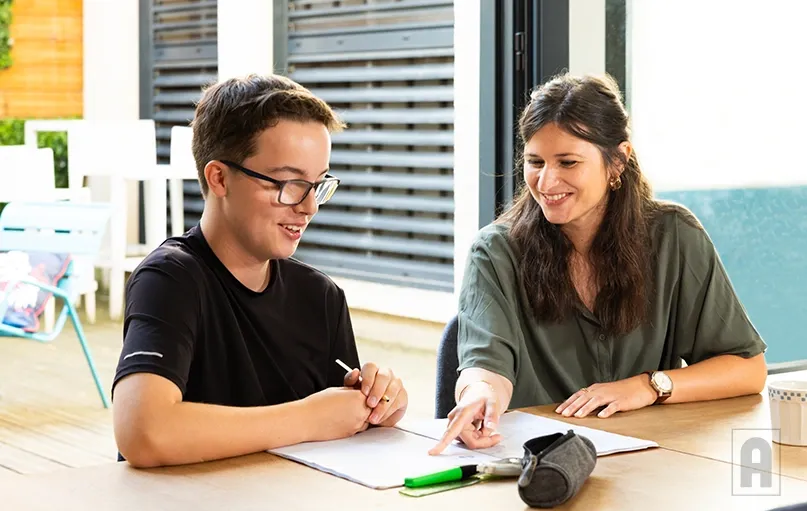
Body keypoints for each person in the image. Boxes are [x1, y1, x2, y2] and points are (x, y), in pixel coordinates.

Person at [429, 73, 767, 455]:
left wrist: (648, 386)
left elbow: (746, 368)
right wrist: (480, 394)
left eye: (568, 162)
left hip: (652, 461)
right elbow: (484, 365)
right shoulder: (495, 252)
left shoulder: (675, 236)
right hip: (539, 466)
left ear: (617, 161)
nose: (546, 180)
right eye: (535, 161)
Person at [112, 74, 408, 468]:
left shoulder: (320, 296)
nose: (308, 207)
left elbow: (338, 434)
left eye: (318, 185)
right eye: (288, 184)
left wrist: (376, 406)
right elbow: (143, 432)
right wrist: (309, 417)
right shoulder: (170, 279)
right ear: (219, 178)